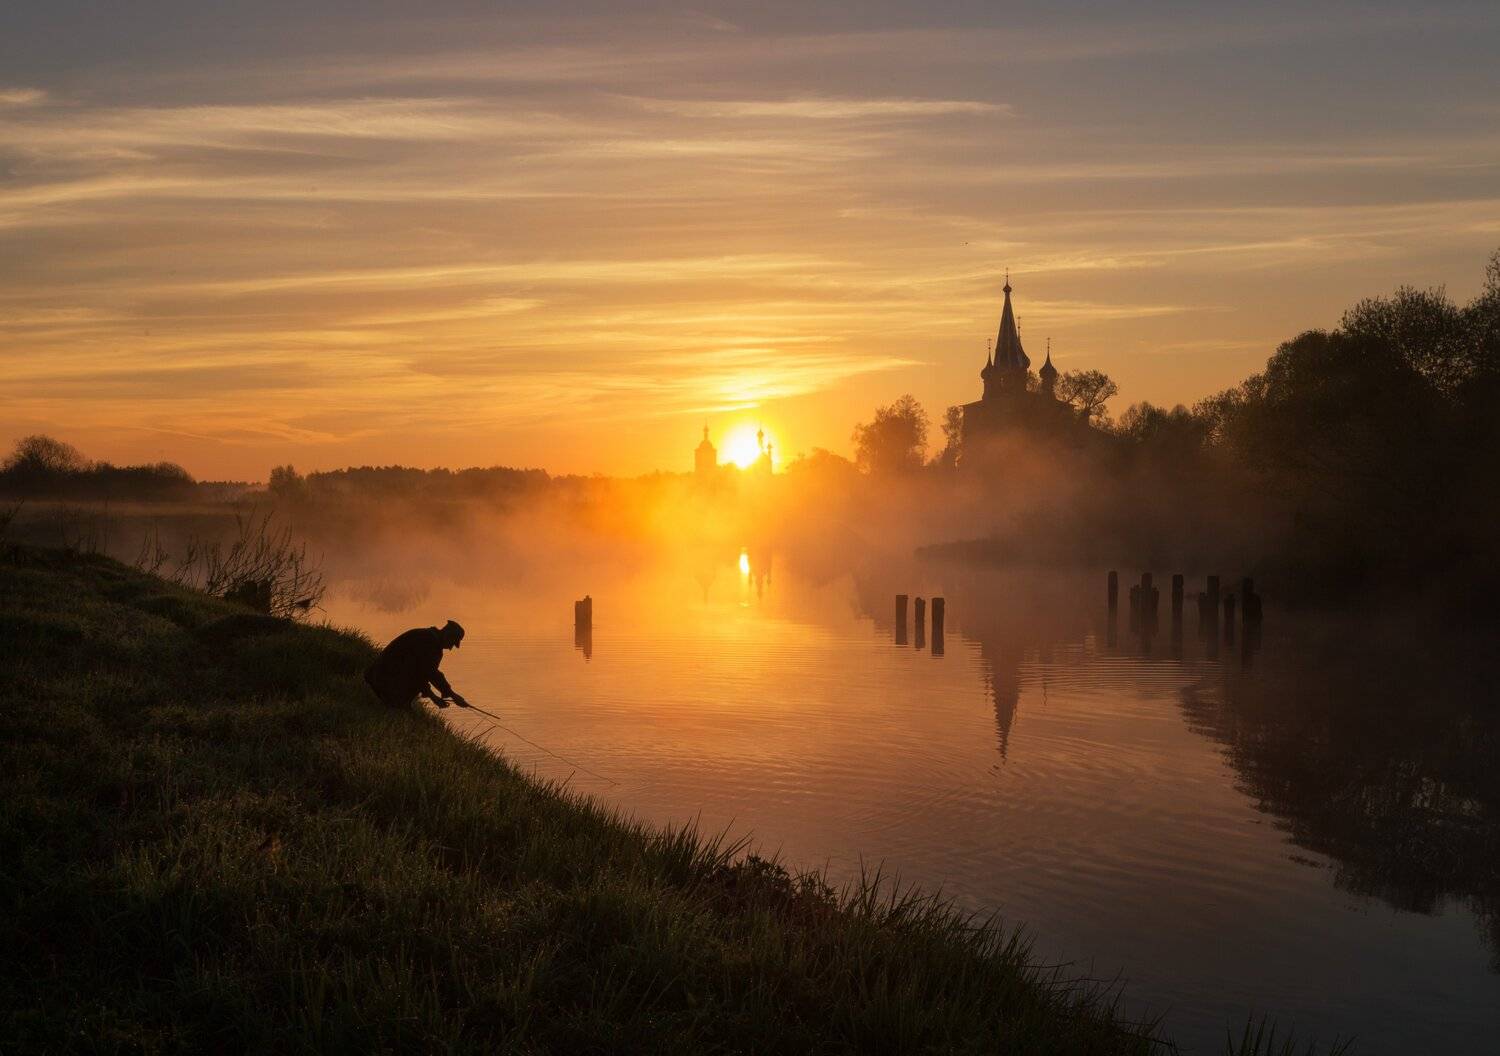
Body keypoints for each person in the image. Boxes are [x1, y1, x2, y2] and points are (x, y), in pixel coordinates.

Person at [364, 619, 471, 709]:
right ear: (447, 635)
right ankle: (396, 705)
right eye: (453, 643)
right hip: (383, 677)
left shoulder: (429, 637)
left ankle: (398, 704)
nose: (451, 648)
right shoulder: (430, 643)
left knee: (413, 683)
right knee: (409, 689)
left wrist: (444, 695)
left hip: (377, 674)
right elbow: (426, 673)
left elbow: (425, 673)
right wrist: (447, 695)